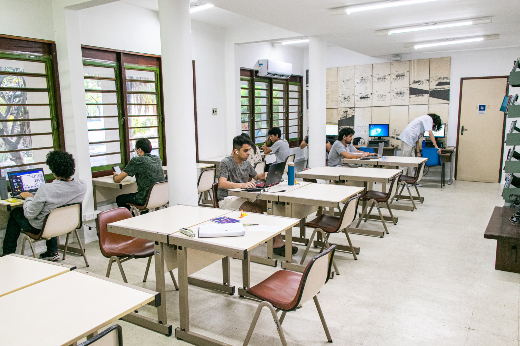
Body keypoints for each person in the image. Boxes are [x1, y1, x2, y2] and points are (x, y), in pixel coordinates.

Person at [218, 135, 297, 256]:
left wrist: (266, 174)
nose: (249, 153)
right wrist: (243, 185)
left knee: (270, 205)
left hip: (243, 195)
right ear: (236, 151)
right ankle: (275, 242)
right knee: (256, 210)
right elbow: (222, 183)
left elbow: (256, 176)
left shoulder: (245, 163)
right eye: (245, 150)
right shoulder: (226, 163)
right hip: (227, 199)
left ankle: (277, 240)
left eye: (249, 150)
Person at [1, 151, 87, 261]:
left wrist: (29, 197)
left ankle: (7, 255)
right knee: (50, 209)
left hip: (43, 228)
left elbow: (29, 214)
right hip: (68, 224)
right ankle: (52, 251)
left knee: (15, 213)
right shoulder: (82, 186)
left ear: (53, 170)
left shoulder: (46, 190)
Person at [113, 138, 165, 210]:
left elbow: (117, 180)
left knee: (120, 199)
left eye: (136, 149)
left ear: (139, 150)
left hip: (144, 200)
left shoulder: (137, 160)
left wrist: (115, 175)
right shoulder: (157, 159)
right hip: (159, 197)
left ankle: (131, 219)